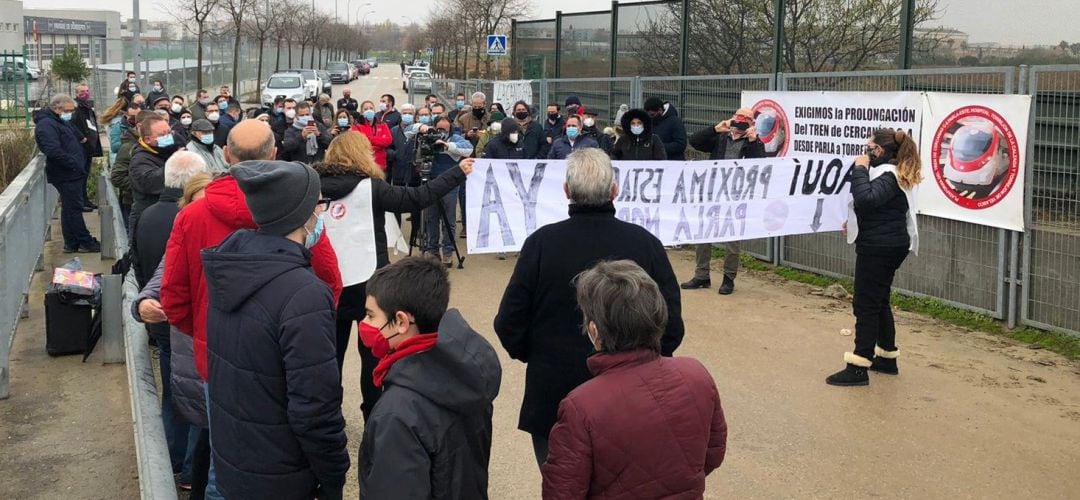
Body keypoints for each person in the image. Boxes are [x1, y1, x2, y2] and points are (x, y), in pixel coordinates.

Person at [160, 120, 343, 499]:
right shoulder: (297, 213)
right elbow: (330, 285)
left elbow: (174, 299)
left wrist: (212, 334)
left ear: (226, 155)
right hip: (285, 357)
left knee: (224, 457)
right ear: (274, 154)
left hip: (215, 360)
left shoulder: (193, 215)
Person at [494, 148, 684, 467]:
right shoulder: (645, 244)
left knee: (562, 486)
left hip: (554, 396)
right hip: (633, 394)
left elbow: (509, 322)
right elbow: (671, 325)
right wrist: (644, 362)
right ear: (614, 189)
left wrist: (542, 356)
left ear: (567, 191)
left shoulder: (541, 244)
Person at [202, 160, 348, 500]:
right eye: (319, 205)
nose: (321, 214)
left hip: (237, 463)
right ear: (302, 214)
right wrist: (333, 476)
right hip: (281, 476)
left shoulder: (231, 265)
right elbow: (316, 409)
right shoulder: (304, 294)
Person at [312, 132, 471, 419]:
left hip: (325, 285)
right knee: (373, 356)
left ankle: (326, 418)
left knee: (327, 359)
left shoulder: (310, 187)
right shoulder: (370, 187)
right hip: (369, 284)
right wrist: (457, 173)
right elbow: (417, 199)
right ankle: (374, 416)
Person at [542, 260, 727, 498]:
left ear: (595, 331)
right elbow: (712, 454)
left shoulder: (580, 406)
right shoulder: (696, 374)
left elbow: (562, 493)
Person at [357, 257, 501, 499]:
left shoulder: (397, 413)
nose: (364, 324)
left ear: (401, 321)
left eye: (371, 316)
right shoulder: (465, 373)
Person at [131, 151, 208, 488]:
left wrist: (145, 304)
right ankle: (188, 471)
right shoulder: (184, 227)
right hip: (183, 327)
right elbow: (165, 275)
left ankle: (173, 461)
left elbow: (138, 262)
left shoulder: (147, 215)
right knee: (193, 406)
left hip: (171, 327)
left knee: (177, 398)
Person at [827, 129, 922, 387]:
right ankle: (887, 357)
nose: (866, 152)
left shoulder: (888, 175)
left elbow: (867, 199)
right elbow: (875, 207)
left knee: (865, 304)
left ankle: (859, 365)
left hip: (880, 247)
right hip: (885, 243)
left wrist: (859, 169)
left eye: (869, 147)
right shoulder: (889, 174)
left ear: (879, 151)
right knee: (878, 301)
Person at [682, 108, 765, 295]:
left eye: (744, 123)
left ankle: (729, 278)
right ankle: (701, 275)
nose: (738, 126)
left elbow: (760, 166)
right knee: (703, 235)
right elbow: (694, 141)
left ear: (751, 124)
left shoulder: (753, 142)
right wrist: (715, 129)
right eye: (737, 121)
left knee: (732, 241)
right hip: (713, 193)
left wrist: (753, 141)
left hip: (735, 197)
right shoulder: (721, 138)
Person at [34, 94, 100, 253]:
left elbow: (73, 134)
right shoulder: (46, 125)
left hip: (71, 172)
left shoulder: (59, 121)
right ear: (57, 108)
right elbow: (53, 150)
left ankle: (72, 243)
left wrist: (84, 142)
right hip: (66, 173)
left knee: (70, 208)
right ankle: (84, 241)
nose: (71, 114)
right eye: (68, 111)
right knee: (74, 209)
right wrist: (74, 164)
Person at [416, 116, 472, 267]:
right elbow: (409, 132)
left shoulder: (456, 138)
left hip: (450, 184)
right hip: (431, 182)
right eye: (438, 129)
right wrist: (422, 129)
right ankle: (432, 250)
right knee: (431, 218)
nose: (441, 132)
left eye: (444, 129)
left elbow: (468, 149)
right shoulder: (427, 137)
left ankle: (448, 252)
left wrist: (447, 146)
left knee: (449, 220)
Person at [129, 114, 181, 235]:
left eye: (169, 132)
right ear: (147, 139)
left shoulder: (168, 149)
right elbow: (150, 182)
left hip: (168, 214)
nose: (168, 137)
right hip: (148, 219)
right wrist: (175, 163)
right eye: (163, 135)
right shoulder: (140, 159)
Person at [72, 83, 103, 211]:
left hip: (90, 146)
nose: (85, 93)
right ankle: (81, 201)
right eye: (82, 91)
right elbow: (72, 125)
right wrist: (82, 138)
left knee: (85, 175)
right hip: (82, 147)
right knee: (80, 175)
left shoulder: (88, 107)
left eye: (87, 91)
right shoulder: (76, 108)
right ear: (77, 94)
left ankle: (85, 200)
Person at [351, 100, 393, 170]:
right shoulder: (356, 127)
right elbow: (359, 143)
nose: (369, 110)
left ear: (374, 110)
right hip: (364, 165)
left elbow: (388, 140)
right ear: (361, 112)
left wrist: (368, 138)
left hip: (380, 164)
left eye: (371, 108)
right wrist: (379, 140)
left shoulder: (382, 124)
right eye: (366, 109)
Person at [644, 96, 687, 161]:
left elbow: (680, 145)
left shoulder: (675, 122)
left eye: (652, 115)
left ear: (660, 110)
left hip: (672, 162)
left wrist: (657, 147)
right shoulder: (648, 122)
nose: (650, 117)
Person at [386, 103, 419, 187]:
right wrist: (395, 154)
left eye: (410, 113)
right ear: (400, 115)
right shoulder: (394, 130)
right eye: (404, 113)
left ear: (414, 115)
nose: (407, 115)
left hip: (415, 174)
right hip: (398, 172)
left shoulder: (419, 131)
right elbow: (388, 148)